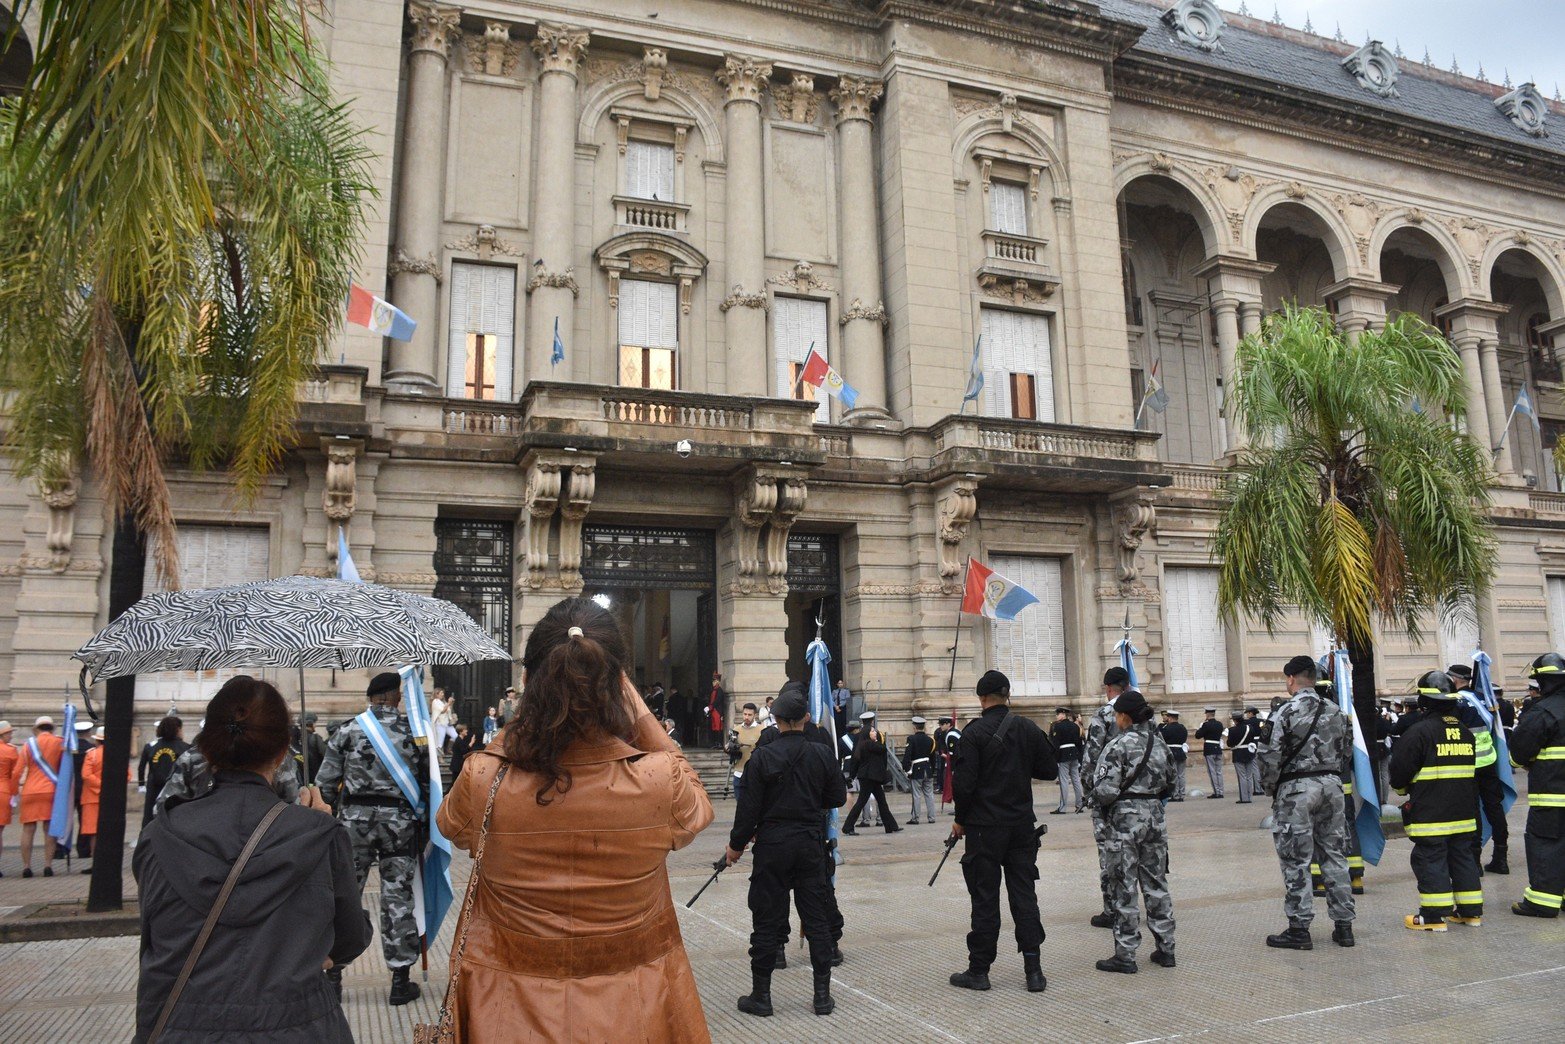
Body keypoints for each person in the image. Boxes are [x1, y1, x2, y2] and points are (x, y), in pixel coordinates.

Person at [436, 597, 714, 1042]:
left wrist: (530, 710)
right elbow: (699, 805)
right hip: (634, 1010)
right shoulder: (661, 780)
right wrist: (638, 710)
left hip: (507, 1011)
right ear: (620, 684)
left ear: (529, 681)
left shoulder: (483, 777)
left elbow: (450, 825)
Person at [133, 675, 371, 1043]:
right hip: (298, 1026)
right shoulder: (319, 834)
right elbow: (351, 938)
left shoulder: (158, 835)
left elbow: (153, 936)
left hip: (182, 1025)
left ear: (207, 750)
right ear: (281, 754)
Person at [727, 684, 846, 1018]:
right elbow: (837, 798)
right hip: (809, 843)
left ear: (775, 719)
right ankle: (822, 997)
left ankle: (761, 996)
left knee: (766, 919)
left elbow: (748, 811)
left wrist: (736, 846)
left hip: (773, 845)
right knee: (817, 919)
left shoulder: (763, 756)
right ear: (805, 718)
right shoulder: (822, 753)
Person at [317, 671, 429, 1005]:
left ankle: (333, 977)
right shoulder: (416, 733)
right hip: (400, 824)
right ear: (396, 696)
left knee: (345, 896)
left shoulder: (348, 730)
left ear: (370, 697)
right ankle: (399, 981)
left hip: (354, 824)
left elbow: (325, 784)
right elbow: (430, 783)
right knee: (398, 898)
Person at [948, 669, 1057, 993]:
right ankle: (1033, 971)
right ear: (1007, 695)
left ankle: (979, 971)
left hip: (984, 830)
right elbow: (1049, 769)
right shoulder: (1026, 728)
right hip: (1021, 827)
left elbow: (963, 785)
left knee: (985, 899)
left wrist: (960, 820)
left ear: (981, 698)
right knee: (1024, 896)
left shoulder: (973, 733)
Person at [1258, 656, 1355, 950]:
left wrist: (1272, 788)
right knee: (1334, 855)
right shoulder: (1337, 711)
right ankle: (1344, 927)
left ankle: (1299, 929)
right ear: (1313, 677)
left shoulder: (1284, 712)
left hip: (1297, 790)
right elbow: (1347, 751)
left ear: (1290, 679)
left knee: (1296, 860)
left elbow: (1269, 756)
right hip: (1332, 787)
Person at [1386, 670, 1481, 932]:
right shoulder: (1465, 732)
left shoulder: (1419, 732)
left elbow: (1400, 772)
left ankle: (1433, 917)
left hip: (1431, 812)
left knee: (1431, 859)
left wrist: (1403, 789)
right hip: (1463, 810)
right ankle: (1470, 912)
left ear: (1424, 702)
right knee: (1463, 858)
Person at [1089, 690, 1176, 973]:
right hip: (1155, 818)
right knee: (1157, 883)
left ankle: (1125, 955)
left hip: (1125, 822)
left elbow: (1104, 790)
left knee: (1123, 886)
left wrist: (1096, 800)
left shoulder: (1117, 746)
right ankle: (1166, 949)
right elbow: (1172, 784)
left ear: (1124, 716)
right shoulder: (1160, 745)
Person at [1509, 652, 1565, 918]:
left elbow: (1518, 752)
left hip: (1552, 796)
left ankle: (1543, 901)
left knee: (1545, 844)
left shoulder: (1543, 711)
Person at [1448, 664, 1508, 875]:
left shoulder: (1456, 701)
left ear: (1455, 680)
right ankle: (1501, 857)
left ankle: (1474, 861)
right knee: (1494, 807)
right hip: (1489, 760)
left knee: (1473, 810)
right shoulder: (1484, 698)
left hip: (1468, 762)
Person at [156, 731, 300, 817]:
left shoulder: (192, 757)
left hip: (201, 846)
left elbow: (162, 809)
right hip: (263, 846)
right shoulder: (277, 757)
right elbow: (293, 803)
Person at [1084, 668, 1127, 929]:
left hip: (1108, 797)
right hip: (1142, 797)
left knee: (1109, 852)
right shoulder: (1145, 712)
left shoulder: (1103, 715)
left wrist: (1090, 792)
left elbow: (1091, 758)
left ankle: (1112, 909)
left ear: (1108, 688)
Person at [18, 716, 63, 877]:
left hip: (29, 791)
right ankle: (48, 865)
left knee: (28, 829)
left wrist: (13, 791)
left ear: (37, 728)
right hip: (50, 790)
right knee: (48, 829)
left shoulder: (28, 745)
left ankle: (26, 866)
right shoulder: (59, 742)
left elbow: (18, 770)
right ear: (52, 728)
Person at [78, 725, 129, 869]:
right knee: (111, 830)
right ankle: (111, 862)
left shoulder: (91, 754)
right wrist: (111, 787)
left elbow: (86, 775)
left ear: (97, 741)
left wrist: (101, 786)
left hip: (92, 798)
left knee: (94, 832)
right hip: (113, 797)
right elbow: (127, 775)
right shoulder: (118, 754)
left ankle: (97, 863)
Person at [843, 716, 900, 835]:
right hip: (869, 778)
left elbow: (855, 761)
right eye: (873, 731)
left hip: (870, 777)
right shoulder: (871, 744)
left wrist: (852, 776)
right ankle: (848, 827)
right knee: (862, 802)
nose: (875, 732)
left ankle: (891, 826)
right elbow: (882, 749)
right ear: (867, 734)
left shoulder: (862, 744)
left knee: (881, 801)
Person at [139, 717, 189, 827]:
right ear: (177, 729)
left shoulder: (151, 746)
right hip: (175, 788)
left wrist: (141, 784)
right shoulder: (185, 748)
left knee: (150, 819)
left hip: (154, 787)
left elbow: (141, 767)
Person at [902, 717, 938, 825]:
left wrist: (907, 769)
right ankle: (931, 817)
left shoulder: (911, 739)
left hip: (917, 769)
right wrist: (932, 769)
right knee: (929, 794)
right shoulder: (930, 740)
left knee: (916, 795)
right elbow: (933, 757)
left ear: (914, 727)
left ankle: (915, 818)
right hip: (928, 768)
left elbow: (907, 755)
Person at [1050, 707, 1084, 814]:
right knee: (1076, 780)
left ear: (1063, 715)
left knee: (1063, 781)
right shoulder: (1075, 726)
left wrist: (1055, 758)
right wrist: (1079, 756)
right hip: (1074, 753)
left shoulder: (1057, 727)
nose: (1057, 716)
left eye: (1058, 714)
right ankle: (1079, 804)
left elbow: (1056, 743)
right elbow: (1078, 742)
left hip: (1063, 754)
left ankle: (1062, 807)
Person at [728, 703, 765, 803]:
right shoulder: (736, 730)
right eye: (745, 714)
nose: (746, 717)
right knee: (740, 805)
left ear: (755, 715)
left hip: (755, 774)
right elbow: (729, 748)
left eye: (749, 715)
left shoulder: (762, 730)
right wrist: (729, 748)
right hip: (739, 772)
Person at [0, 721, 19, 873]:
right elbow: (15, 775)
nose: (11, 735)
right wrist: (14, 796)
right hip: (3, 791)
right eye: (9, 733)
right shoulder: (11, 751)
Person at [1226, 713, 1257, 804]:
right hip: (1249, 752)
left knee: (1242, 777)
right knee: (1249, 776)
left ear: (1235, 720)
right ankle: (1249, 796)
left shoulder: (1232, 730)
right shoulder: (1250, 728)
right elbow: (1253, 739)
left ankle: (1244, 798)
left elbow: (1229, 743)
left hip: (1238, 754)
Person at [1195, 707, 1226, 799]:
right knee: (1219, 771)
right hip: (1218, 748)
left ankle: (1217, 792)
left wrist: (1201, 727)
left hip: (1209, 749)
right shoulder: (1219, 724)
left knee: (1212, 771)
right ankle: (1221, 790)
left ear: (1207, 714)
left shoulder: (1206, 725)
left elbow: (1198, 735)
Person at [1159, 710, 1188, 802]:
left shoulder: (1167, 728)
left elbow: (1162, 739)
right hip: (1180, 751)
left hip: (1171, 752)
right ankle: (1182, 794)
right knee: (1181, 775)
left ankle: (1175, 795)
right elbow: (1184, 738)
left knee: (1173, 775)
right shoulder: (1183, 728)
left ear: (1170, 718)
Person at [292, 711, 327, 786]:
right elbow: (326, 756)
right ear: (310, 723)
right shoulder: (315, 738)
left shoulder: (294, 738)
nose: (315, 726)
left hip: (299, 778)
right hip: (314, 777)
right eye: (314, 723)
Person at [935, 715, 961, 814]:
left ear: (948, 724)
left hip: (956, 765)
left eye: (942, 724)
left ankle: (958, 808)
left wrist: (953, 768)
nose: (940, 726)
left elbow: (953, 753)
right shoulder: (953, 732)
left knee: (955, 787)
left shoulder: (951, 735)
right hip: (957, 763)